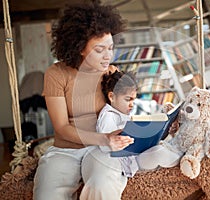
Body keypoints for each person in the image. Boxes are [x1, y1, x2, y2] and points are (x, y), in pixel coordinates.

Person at [33, 2, 134, 200]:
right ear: (79, 48)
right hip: (66, 150)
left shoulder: (112, 73)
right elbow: (61, 127)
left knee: (102, 185)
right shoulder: (57, 74)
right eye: (99, 50)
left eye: (110, 48)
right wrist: (104, 138)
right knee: (46, 194)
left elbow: (124, 114)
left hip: (100, 150)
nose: (107, 56)